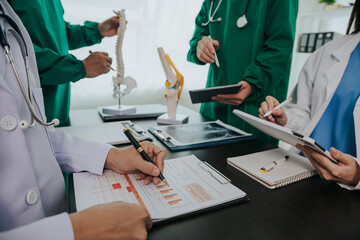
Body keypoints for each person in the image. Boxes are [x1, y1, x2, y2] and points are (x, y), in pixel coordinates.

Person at [0, 1, 167, 239]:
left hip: (54, 109)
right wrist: (75, 230)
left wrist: (114, 156)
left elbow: (35, 135)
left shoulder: (7, 12)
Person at [258, 0, 360, 190]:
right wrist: (285, 119)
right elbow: (306, 113)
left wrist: (358, 176)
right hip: (302, 172)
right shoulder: (329, 51)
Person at [187, 0, 298, 143]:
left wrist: (252, 83)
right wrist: (200, 47)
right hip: (214, 106)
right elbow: (197, 37)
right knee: (201, 160)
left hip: (255, 109)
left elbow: (280, 48)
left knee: (250, 161)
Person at [7, 0, 120, 127]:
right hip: (29, 108)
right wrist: (77, 67)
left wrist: (97, 30)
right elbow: (12, 50)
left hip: (59, 105)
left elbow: (58, 33)